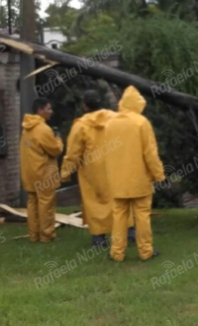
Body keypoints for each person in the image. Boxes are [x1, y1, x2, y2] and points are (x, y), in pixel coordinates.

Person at [105, 86, 165, 262]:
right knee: (142, 216)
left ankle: (117, 253)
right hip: (139, 179)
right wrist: (159, 175)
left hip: (117, 180)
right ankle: (145, 251)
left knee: (118, 216)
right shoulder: (141, 123)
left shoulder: (110, 123)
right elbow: (150, 153)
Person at [60, 90, 123, 248]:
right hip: (116, 167)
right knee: (119, 200)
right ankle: (128, 232)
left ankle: (99, 239)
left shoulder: (80, 125)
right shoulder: (115, 118)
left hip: (92, 172)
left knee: (95, 203)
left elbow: (72, 152)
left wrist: (65, 173)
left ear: (85, 105)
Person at [20, 98, 64, 243]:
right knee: (46, 204)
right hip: (44, 173)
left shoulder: (26, 128)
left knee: (32, 203)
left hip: (29, 172)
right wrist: (58, 139)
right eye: (48, 108)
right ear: (40, 110)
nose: (51, 111)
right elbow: (55, 150)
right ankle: (47, 235)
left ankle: (34, 235)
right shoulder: (43, 129)